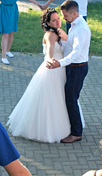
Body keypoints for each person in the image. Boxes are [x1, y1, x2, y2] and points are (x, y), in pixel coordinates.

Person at [7, 9, 76, 143]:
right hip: (53, 69)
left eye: (58, 19)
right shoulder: (51, 35)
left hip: (60, 68)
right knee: (52, 98)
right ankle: (48, 129)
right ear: (47, 23)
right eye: (54, 20)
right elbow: (50, 51)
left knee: (61, 97)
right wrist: (50, 59)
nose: (58, 22)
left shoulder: (59, 32)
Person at [46, 0, 90, 143]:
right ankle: (73, 127)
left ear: (74, 13)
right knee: (69, 98)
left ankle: (76, 133)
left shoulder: (81, 28)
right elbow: (70, 45)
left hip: (77, 68)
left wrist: (60, 63)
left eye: (65, 15)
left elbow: (76, 53)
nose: (63, 18)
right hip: (72, 67)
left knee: (71, 99)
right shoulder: (74, 26)